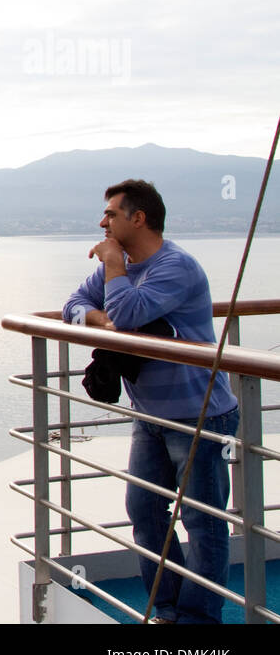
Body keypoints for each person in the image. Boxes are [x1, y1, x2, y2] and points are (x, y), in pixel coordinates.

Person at [62, 179, 239, 623]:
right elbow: (73, 306)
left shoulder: (174, 266)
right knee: (144, 513)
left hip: (200, 416)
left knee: (203, 524)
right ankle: (168, 609)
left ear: (137, 219)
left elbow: (128, 313)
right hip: (150, 416)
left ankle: (198, 620)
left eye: (111, 214)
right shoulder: (116, 266)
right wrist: (104, 316)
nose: (102, 223)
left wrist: (115, 268)